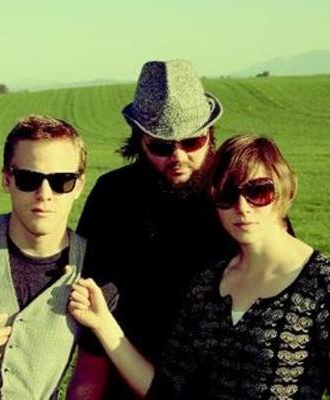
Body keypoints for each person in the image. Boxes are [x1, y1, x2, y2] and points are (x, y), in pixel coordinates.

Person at [69, 134, 330, 399]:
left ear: (286, 191)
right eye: (227, 195)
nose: (243, 207)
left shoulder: (328, 285)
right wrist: (104, 323)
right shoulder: (207, 286)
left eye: (258, 192)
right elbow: (167, 392)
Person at [69, 59, 235, 398]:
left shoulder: (238, 194)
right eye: (161, 145)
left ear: (210, 135)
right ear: (139, 140)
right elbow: (94, 315)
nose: (179, 157)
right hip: (126, 381)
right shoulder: (113, 196)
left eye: (192, 141)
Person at [0, 115, 88, 399]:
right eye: (28, 179)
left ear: (79, 185)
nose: (44, 194)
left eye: (62, 181)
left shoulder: (96, 267)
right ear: (6, 179)